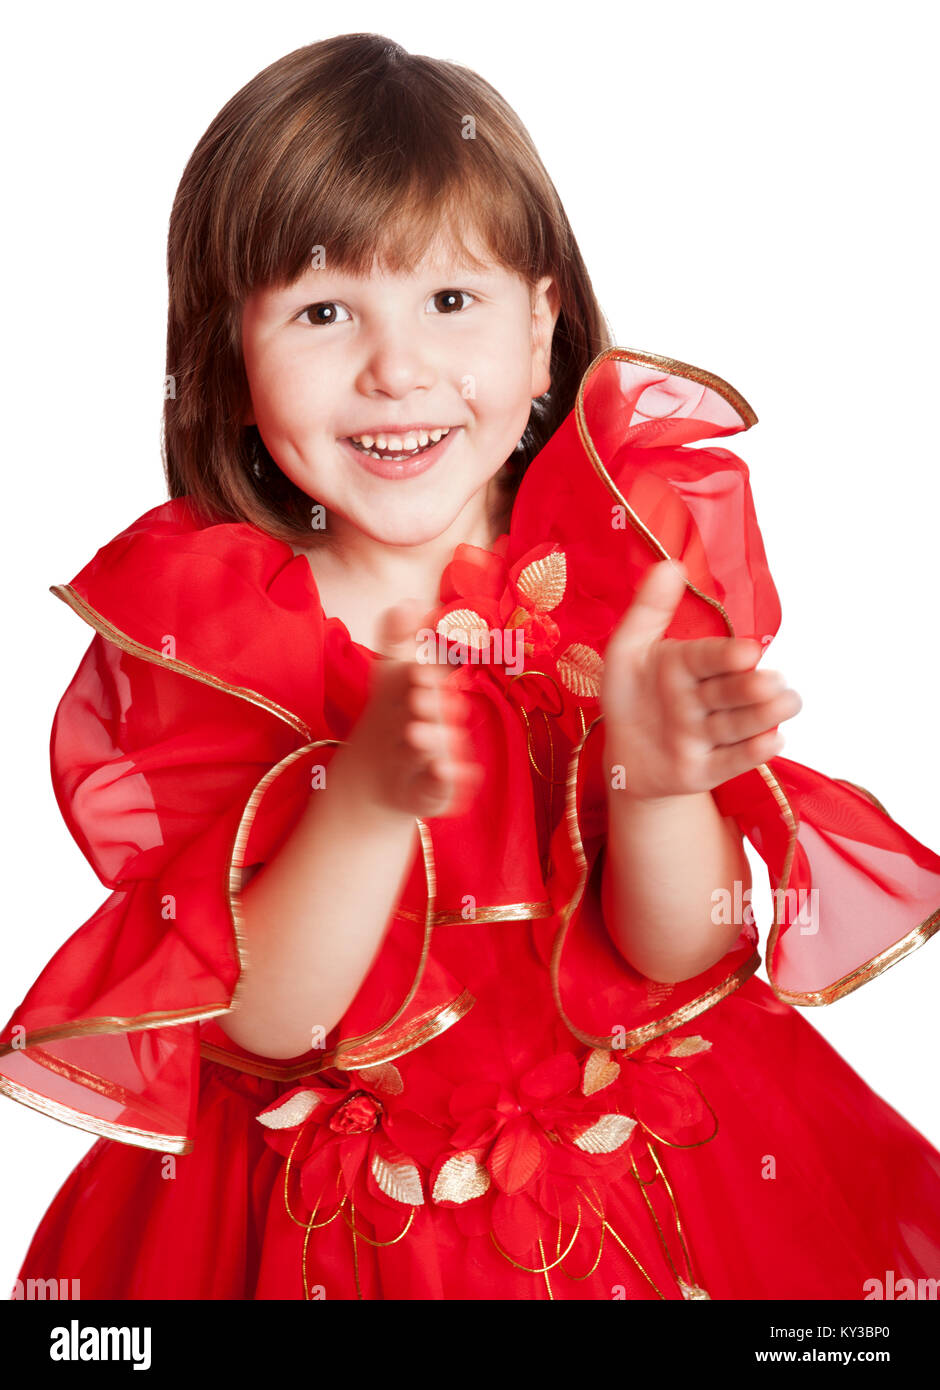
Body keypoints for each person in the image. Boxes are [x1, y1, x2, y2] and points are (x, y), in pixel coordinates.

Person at [3, 33, 939, 1302]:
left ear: (543, 331)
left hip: (647, 1179)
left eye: (451, 301)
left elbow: (673, 958)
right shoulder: (214, 634)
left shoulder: (623, 567)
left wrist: (660, 790)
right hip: (325, 1223)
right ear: (225, 361)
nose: (397, 369)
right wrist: (368, 795)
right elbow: (265, 1020)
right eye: (325, 312)